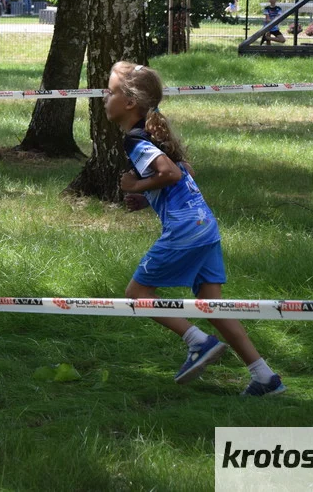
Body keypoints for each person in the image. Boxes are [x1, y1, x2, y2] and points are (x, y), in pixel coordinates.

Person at [106, 61, 285, 396]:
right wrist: (149, 198)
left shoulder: (135, 139)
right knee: (211, 305)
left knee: (137, 295)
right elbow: (184, 170)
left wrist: (135, 186)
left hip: (186, 229)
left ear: (129, 103)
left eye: (110, 91)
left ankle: (197, 341)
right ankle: (264, 377)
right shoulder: (154, 132)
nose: (105, 97)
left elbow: (171, 174)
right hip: (205, 225)